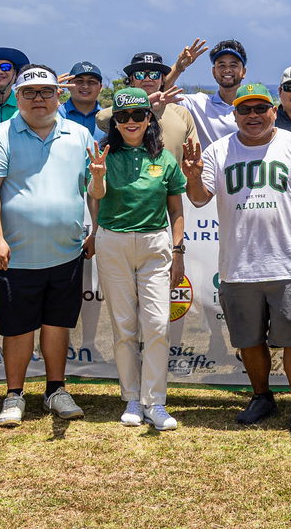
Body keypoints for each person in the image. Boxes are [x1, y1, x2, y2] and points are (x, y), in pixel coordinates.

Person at [183, 83, 291, 438]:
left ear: (273, 111)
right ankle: (262, 397)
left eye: (260, 108)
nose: (253, 116)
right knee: (248, 339)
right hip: (239, 263)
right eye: (245, 110)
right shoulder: (219, 151)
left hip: (288, 262)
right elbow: (200, 198)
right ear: (234, 115)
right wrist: (191, 176)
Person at [0, 65, 92, 427]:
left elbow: (94, 186)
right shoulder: (0, 135)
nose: (38, 99)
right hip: (17, 254)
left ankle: (55, 390)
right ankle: (14, 395)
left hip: (67, 251)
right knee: (17, 328)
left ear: (59, 94)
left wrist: (96, 230)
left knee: (58, 324)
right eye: (29, 93)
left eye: (45, 92)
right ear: (17, 97)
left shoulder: (79, 134)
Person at [85, 88, 188, 431]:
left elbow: (176, 209)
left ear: (149, 119)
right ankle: (132, 397)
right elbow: (96, 196)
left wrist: (178, 251)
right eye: (123, 117)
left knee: (157, 325)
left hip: (155, 244)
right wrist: (98, 176)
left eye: (138, 116)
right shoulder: (103, 154)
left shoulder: (165, 158)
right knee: (124, 325)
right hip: (112, 241)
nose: (131, 122)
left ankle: (155, 402)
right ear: (115, 121)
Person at [97, 51, 199, 154]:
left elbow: (194, 154)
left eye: (154, 75)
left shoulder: (182, 113)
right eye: (140, 75)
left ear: (163, 79)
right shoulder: (123, 113)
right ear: (131, 80)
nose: (147, 79)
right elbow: (101, 119)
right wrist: (144, 104)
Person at [164, 38, 247, 143]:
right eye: (221, 65)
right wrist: (179, 67)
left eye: (233, 65)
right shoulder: (199, 104)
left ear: (243, 72)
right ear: (213, 72)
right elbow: (163, 92)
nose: (227, 70)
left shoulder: (254, 108)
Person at [60, 61, 108, 140]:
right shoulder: (54, 115)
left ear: (101, 87)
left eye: (91, 82)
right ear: (68, 85)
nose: (85, 86)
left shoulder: (109, 118)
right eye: (79, 81)